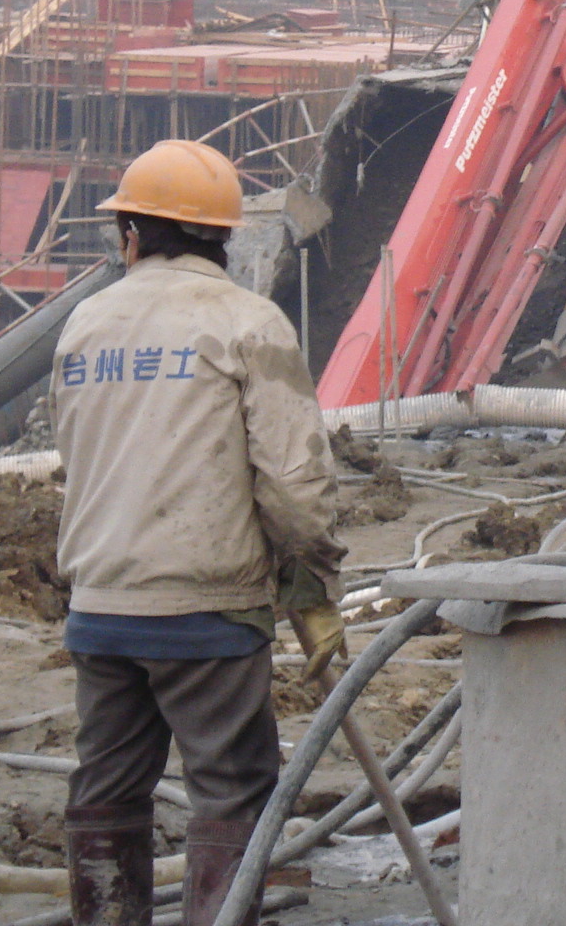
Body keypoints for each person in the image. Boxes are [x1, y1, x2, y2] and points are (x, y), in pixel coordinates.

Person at [55, 139, 346, 926]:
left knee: (106, 788)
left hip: (101, 606)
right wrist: (314, 582)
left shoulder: (85, 323)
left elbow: (77, 458)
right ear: (223, 240)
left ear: (131, 236)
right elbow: (294, 482)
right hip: (207, 610)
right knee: (232, 789)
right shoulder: (246, 322)